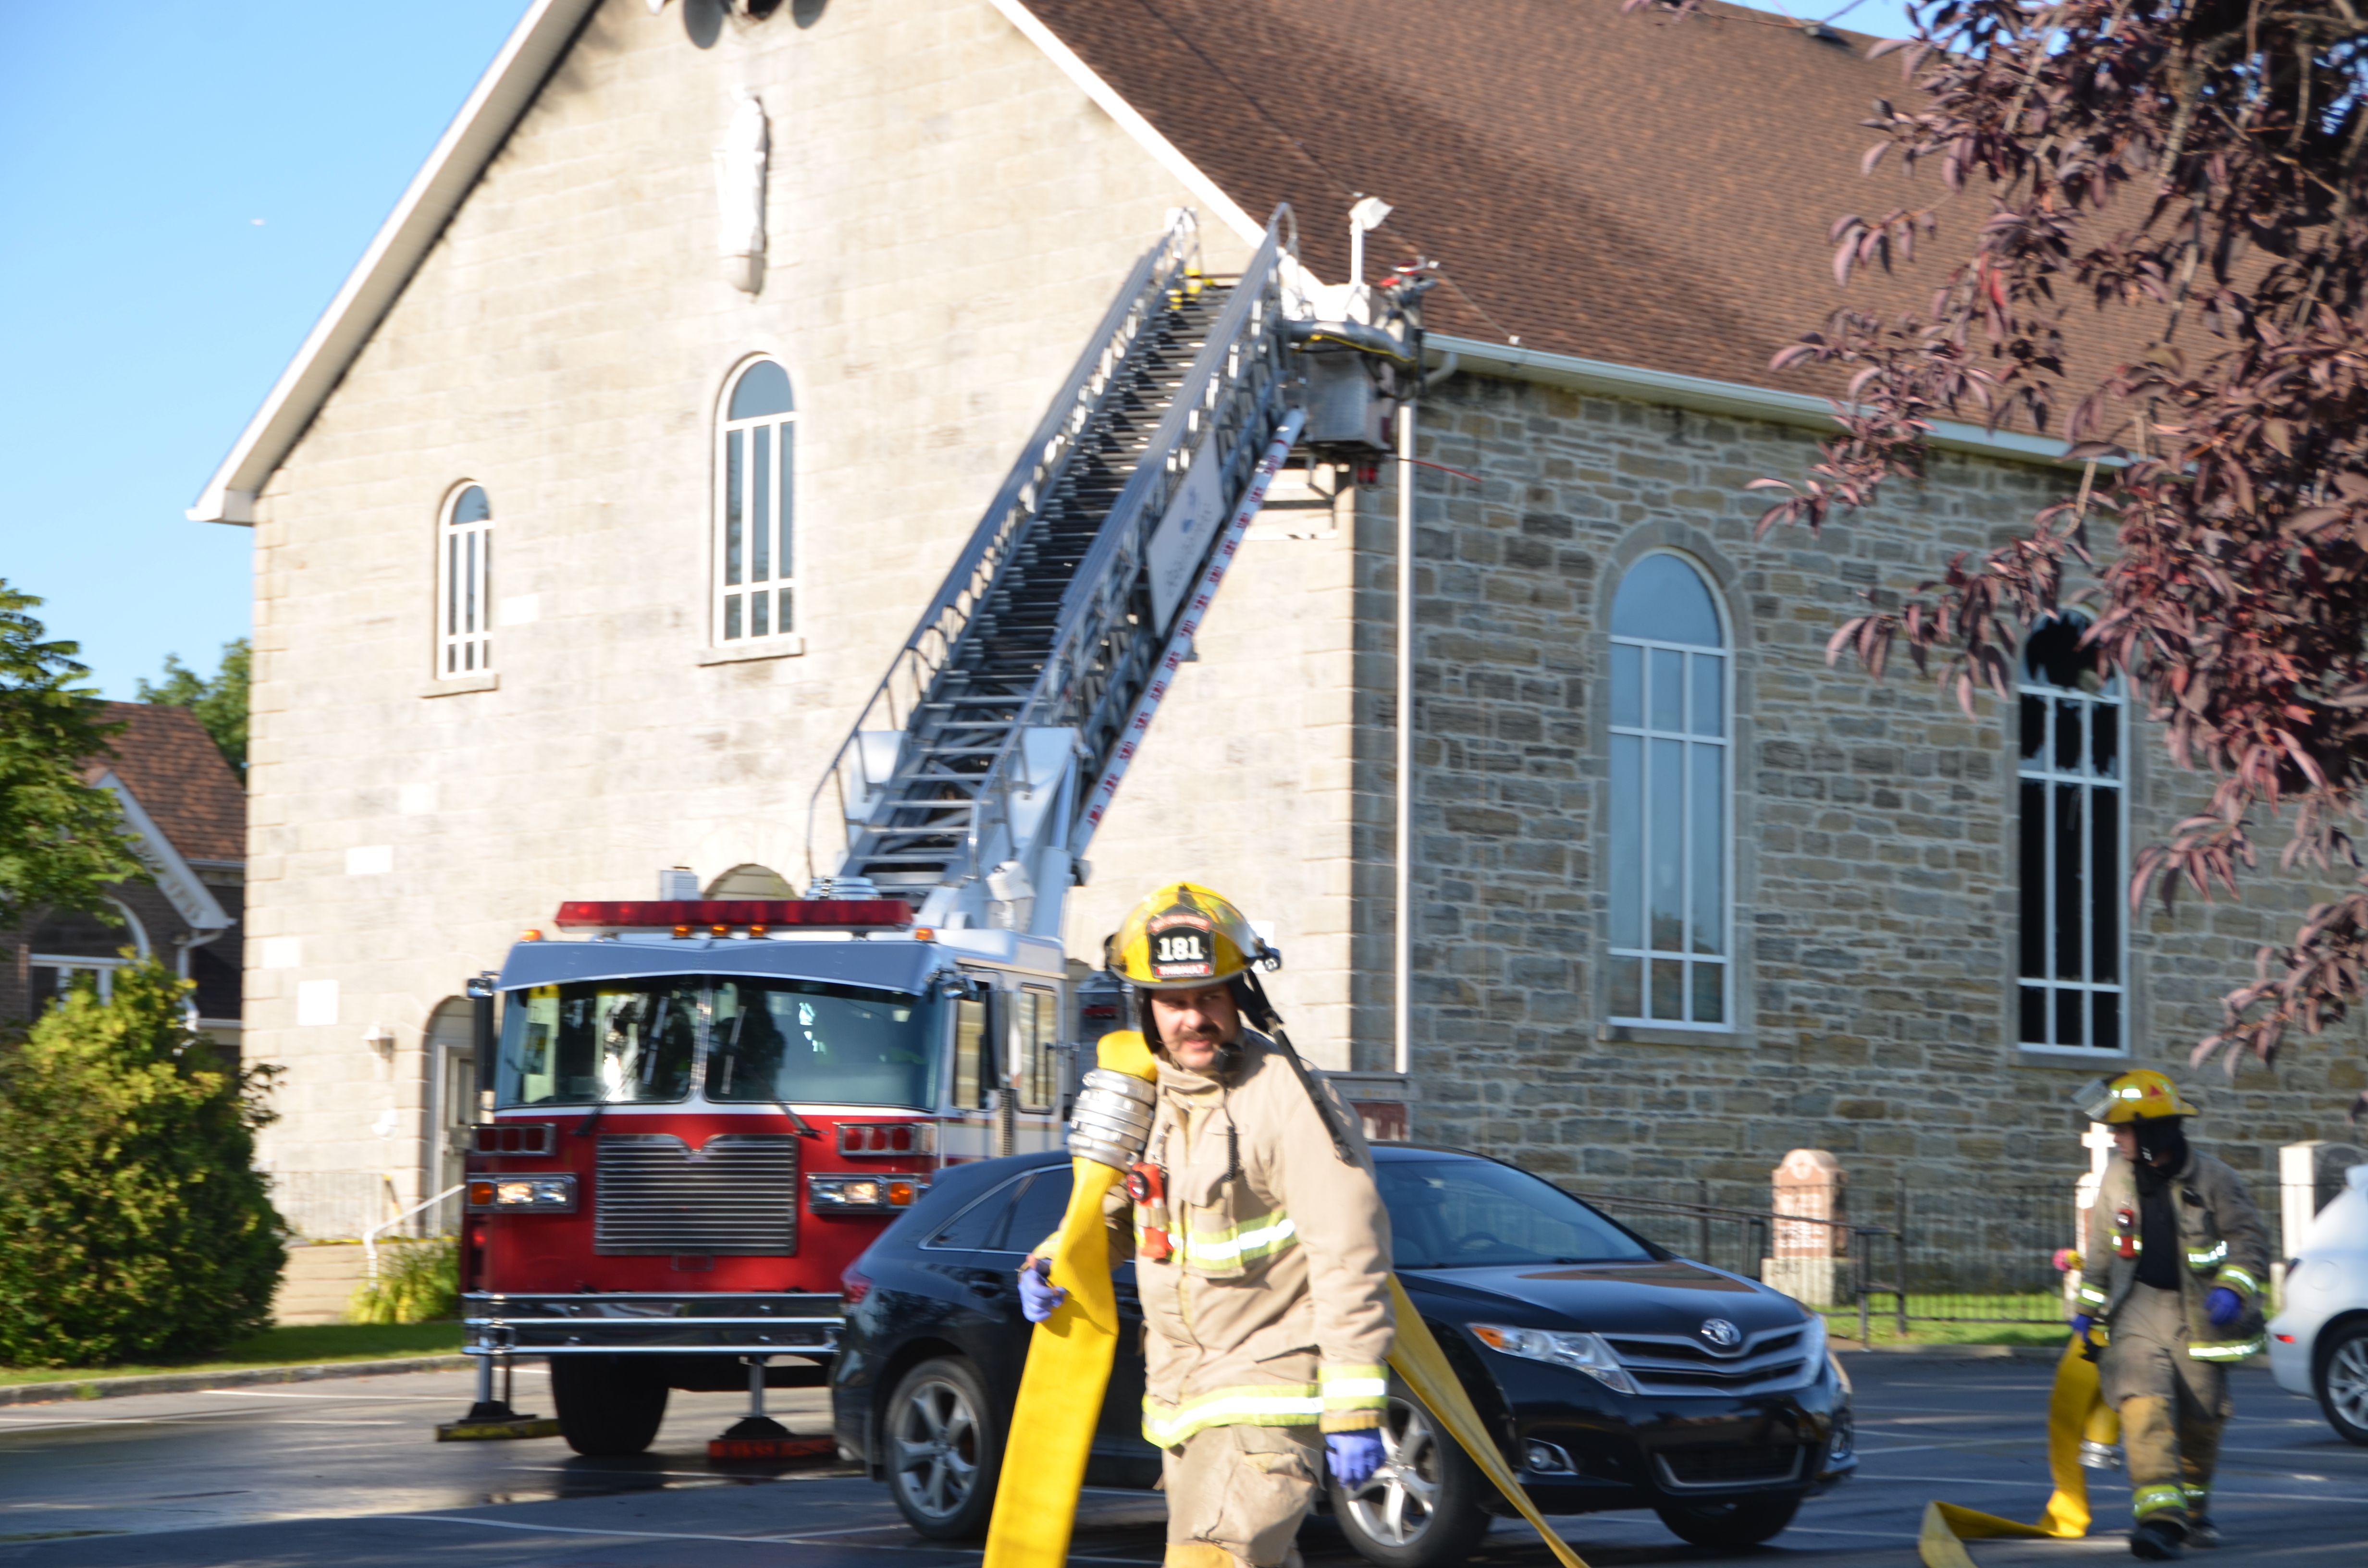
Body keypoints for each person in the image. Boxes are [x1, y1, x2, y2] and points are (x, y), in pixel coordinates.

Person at [1019, 883, 1393, 1568]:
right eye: (1174, 1002)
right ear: (1146, 1009)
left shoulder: (1286, 1099)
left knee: (1211, 1560)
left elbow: (1349, 1253)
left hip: (1265, 1402)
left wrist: (1353, 1407)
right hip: (1182, 1404)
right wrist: (1054, 1260)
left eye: (1210, 997)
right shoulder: (1153, 1098)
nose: (1193, 1019)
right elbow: (1118, 1216)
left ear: (1240, 997)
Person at [2070, 1070, 2269, 1560]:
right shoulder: (2116, 1178)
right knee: (2143, 1406)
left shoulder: (2214, 1180)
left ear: (2152, 1132)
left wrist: (2231, 1287)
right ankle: (2159, 1521)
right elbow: (2100, 1252)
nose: (2115, 1139)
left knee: (2202, 1418)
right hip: (2136, 1309)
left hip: (2198, 1316)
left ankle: (2193, 1512)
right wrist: (2086, 1311)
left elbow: (2249, 1241)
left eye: (2122, 1130)